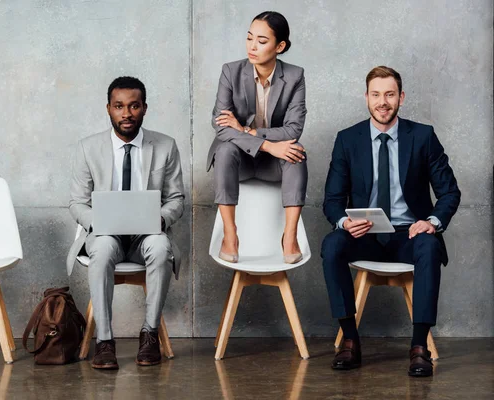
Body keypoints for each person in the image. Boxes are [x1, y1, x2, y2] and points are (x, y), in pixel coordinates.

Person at [321, 66, 461, 377]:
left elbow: (449, 192)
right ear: (366, 98)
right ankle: (350, 341)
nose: (382, 101)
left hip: (408, 236)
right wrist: (344, 223)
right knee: (331, 245)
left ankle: (419, 346)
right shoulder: (347, 139)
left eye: (389, 94)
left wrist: (432, 221)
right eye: (376, 95)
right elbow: (332, 201)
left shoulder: (423, 136)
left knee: (429, 246)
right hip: (365, 235)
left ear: (401, 97)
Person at [67, 76, 185, 369]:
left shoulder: (165, 146)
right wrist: (98, 221)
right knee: (103, 248)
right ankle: (104, 342)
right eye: (119, 106)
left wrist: (160, 218)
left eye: (134, 106)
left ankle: (149, 335)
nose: (126, 113)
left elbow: (177, 198)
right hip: (107, 234)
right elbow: (77, 202)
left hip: (147, 234)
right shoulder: (87, 148)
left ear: (144, 108)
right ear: (108, 108)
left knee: (160, 247)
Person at [206, 11, 308, 264]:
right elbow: (220, 126)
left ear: (280, 46)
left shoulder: (295, 76)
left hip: (271, 165)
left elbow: (293, 129)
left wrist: (246, 131)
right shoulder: (231, 71)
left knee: (296, 152)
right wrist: (267, 145)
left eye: (262, 41)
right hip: (236, 162)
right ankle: (230, 235)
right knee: (225, 149)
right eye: (249, 38)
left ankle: (289, 237)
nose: (252, 46)